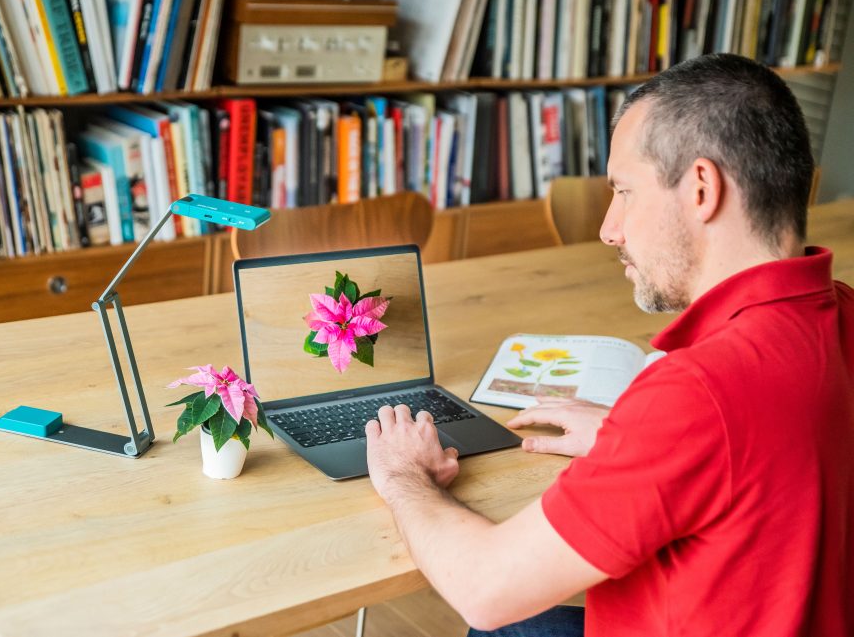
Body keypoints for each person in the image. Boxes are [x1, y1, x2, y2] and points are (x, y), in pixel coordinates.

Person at [364, 53, 854, 637]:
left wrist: (402, 476)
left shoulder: (698, 392)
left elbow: (484, 589)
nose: (608, 228)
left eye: (624, 192)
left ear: (702, 189)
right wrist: (639, 437)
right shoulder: (839, 313)